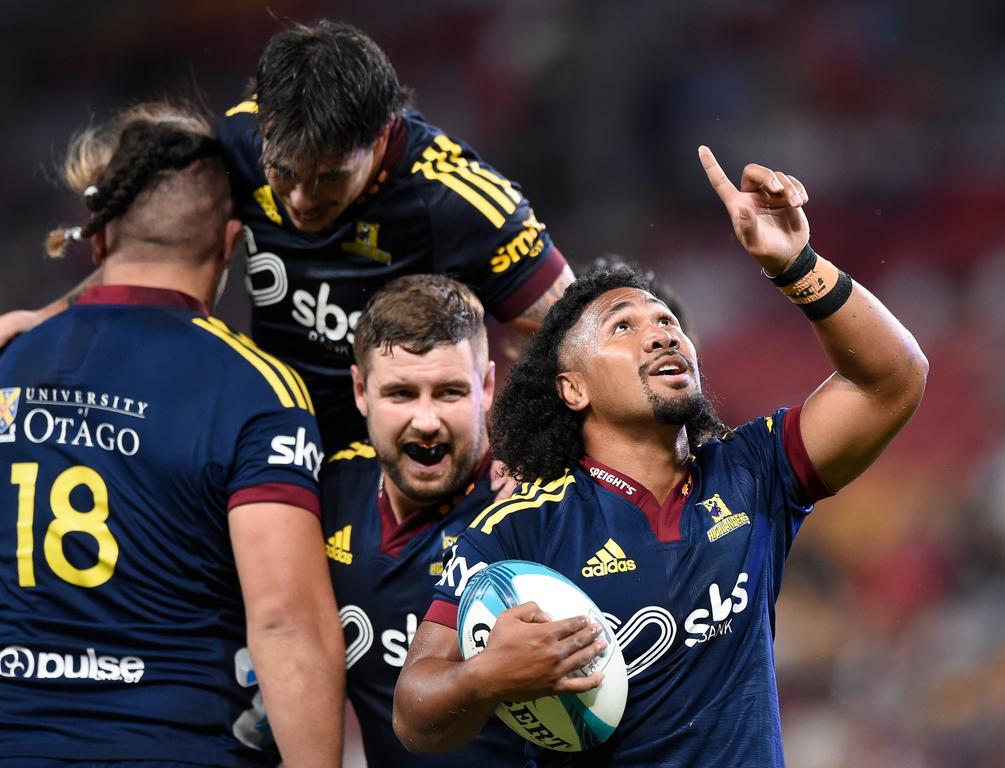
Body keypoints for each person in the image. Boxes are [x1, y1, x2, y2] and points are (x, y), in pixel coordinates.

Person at [391, 146, 929, 766]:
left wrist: (796, 265)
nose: (663, 332)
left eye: (668, 320)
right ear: (573, 388)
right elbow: (414, 713)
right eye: (623, 326)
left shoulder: (753, 472)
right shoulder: (520, 527)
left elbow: (893, 379)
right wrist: (487, 676)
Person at [1, 20, 574, 456]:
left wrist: (519, 449)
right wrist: (52, 315)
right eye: (284, 173)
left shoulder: (460, 203)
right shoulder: (239, 139)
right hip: (274, 441)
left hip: (399, 469)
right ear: (263, 128)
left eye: (328, 178)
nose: (300, 199)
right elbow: (159, 248)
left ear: (381, 135)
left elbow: (575, 335)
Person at [0, 104, 344, 767]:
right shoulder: (255, 389)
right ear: (231, 243)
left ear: (97, 244)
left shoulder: (12, 357)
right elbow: (285, 621)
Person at [321, 274, 529, 766]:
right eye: (400, 394)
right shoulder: (327, 489)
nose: (427, 420)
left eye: (450, 392)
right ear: (360, 390)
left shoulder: (535, 502)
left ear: (487, 387)